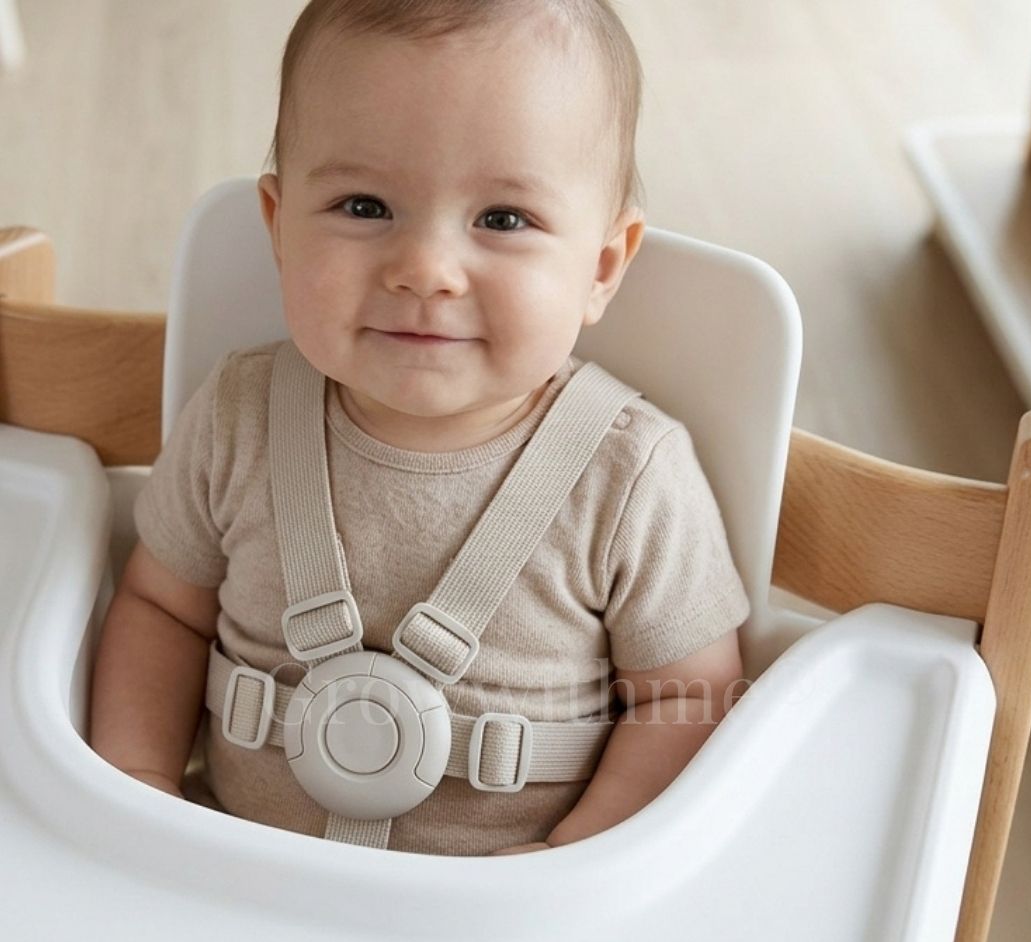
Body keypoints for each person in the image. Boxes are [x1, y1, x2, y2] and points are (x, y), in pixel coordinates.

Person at [89, 0, 750, 857]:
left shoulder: (632, 477)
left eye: (502, 220)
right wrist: (135, 786)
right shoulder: (237, 416)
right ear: (278, 227)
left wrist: (573, 861)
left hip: (498, 931)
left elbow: (691, 698)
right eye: (365, 206)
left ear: (600, 267)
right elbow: (159, 609)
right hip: (233, 882)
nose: (426, 271)